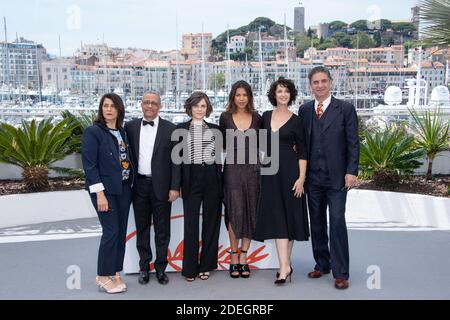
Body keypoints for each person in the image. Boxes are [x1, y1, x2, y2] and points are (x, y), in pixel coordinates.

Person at [298, 66, 359, 290]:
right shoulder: (304, 111)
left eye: (324, 81)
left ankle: (341, 272)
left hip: (337, 179)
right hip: (312, 179)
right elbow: (301, 144)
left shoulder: (345, 109)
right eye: (316, 82)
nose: (320, 85)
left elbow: (353, 142)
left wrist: (351, 171)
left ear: (331, 83)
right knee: (316, 223)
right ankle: (322, 263)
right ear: (310, 85)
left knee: (336, 222)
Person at [254, 77, 309, 285]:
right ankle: (285, 265)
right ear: (274, 95)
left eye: (286, 91)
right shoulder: (265, 116)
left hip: (291, 173)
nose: (283, 94)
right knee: (278, 218)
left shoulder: (296, 121)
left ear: (291, 94)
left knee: (290, 218)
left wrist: (301, 178)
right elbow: (258, 142)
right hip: (270, 173)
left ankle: (284, 267)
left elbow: (303, 151)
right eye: (279, 91)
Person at [124, 92, 180, 285]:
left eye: (154, 103)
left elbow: (176, 162)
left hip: (163, 188)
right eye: (146, 102)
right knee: (142, 229)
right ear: (141, 104)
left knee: (163, 231)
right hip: (138, 186)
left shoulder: (171, 129)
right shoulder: (129, 127)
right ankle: (143, 268)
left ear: (160, 106)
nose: (150, 106)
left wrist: (174, 187)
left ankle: (161, 268)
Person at [82, 93, 133, 294]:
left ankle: (115, 271)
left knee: (120, 233)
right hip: (105, 192)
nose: (108, 109)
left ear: (119, 109)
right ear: (101, 109)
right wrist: (99, 194)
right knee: (110, 231)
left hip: (124, 189)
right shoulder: (93, 132)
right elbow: (90, 166)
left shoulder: (122, 131)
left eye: (113, 106)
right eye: (105, 106)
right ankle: (103, 275)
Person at [173, 92, 223, 282]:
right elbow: (176, 161)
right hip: (190, 179)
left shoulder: (216, 129)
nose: (199, 109)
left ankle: (206, 265)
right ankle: (190, 269)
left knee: (211, 223)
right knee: (191, 225)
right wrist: (176, 186)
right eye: (196, 106)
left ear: (207, 108)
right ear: (190, 108)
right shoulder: (180, 129)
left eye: (203, 106)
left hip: (212, 178)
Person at [219, 80, 262, 279]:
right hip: (232, 171)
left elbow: (267, 142)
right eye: (238, 95)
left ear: (249, 97)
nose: (242, 99)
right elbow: (219, 145)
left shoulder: (257, 118)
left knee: (251, 211)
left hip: (253, 171)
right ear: (233, 97)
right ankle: (233, 256)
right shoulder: (225, 117)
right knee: (234, 211)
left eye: (245, 95)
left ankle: (244, 256)